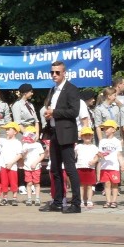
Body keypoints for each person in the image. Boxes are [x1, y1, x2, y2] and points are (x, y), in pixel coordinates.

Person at [41, 60, 82, 214]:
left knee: (70, 169)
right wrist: (48, 115)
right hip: (54, 132)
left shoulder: (71, 89)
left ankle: (76, 203)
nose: (54, 75)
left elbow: (74, 111)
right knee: (55, 168)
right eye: (52, 72)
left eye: (57, 72)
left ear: (64, 72)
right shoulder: (52, 90)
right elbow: (51, 110)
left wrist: (55, 113)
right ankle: (58, 201)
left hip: (66, 133)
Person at [96, 119, 123, 208]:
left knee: (115, 184)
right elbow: (99, 154)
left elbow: (119, 154)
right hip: (104, 167)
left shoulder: (117, 141)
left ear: (113, 129)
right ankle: (108, 201)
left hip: (114, 167)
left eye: (107, 128)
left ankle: (114, 201)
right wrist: (100, 155)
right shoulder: (102, 141)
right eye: (104, 128)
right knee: (106, 184)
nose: (105, 130)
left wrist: (122, 164)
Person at [0, 122, 23, 206]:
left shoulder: (17, 142)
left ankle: (14, 198)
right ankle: (4, 198)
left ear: (15, 132)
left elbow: (19, 155)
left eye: (8, 129)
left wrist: (11, 163)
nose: (6, 131)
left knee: (13, 182)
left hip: (12, 166)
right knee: (4, 182)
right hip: (3, 165)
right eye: (6, 130)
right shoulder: (4, 141)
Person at [21, 127, 45, 206]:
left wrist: (35, 162)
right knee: (29, 183)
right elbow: (23, 157)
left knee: (37, 183)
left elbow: (42, 155)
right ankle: (29, 198)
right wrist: (25, 153)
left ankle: (37, 198)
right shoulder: (25, 145)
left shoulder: (38, 145)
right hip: (27, 167)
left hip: (36, 167)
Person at [75, 127, 98, 207]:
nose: (87, 136)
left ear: (92, 136)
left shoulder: (94, 147)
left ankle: (89, 200)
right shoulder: (78, 146)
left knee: (89, 185)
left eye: (89, 135)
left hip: (90, 168)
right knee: (81, 185)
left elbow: (97, 156)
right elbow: (74, 156)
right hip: (80, 167)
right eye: (85, 135)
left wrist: (94, 161)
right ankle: (81, 200)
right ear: (81, 137)